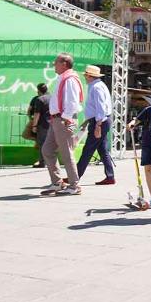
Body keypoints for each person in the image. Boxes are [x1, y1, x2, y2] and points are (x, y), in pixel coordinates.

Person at [40, 53, 84, 196]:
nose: (54, 65)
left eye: (56, 62)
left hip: (65, 120)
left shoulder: (70, 79)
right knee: (47, 149)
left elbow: (72, 102)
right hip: (59, 120)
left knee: (66, 151)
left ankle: (74, 185)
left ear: (64, 63)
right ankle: (57, 182)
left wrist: (65, 119)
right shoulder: (64, 78)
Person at [76, 64, 114, 186]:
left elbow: (101, 108)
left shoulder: (96, 87)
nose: (85, 78)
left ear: (89, 76)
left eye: (86, 75)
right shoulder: (98, 85)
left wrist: (97, 125)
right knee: (102, 150)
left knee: (88, 149)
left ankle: (75, 176)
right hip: (101, 120)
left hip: (100, 121)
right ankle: (110, 176)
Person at [127, 95, 151, 209]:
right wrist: (132, 123)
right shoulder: (148, 110)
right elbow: (137, 119)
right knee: (148, 169)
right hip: (147, 143)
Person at [27, 83, 50, 168]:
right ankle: (50, 162)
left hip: (43, 124)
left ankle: (42, 162)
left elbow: (37, 114)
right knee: (50, 143)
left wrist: (34, 126)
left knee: (42, 143)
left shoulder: (39, 99)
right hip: (53, 123)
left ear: (38, 90)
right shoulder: (52, 97)